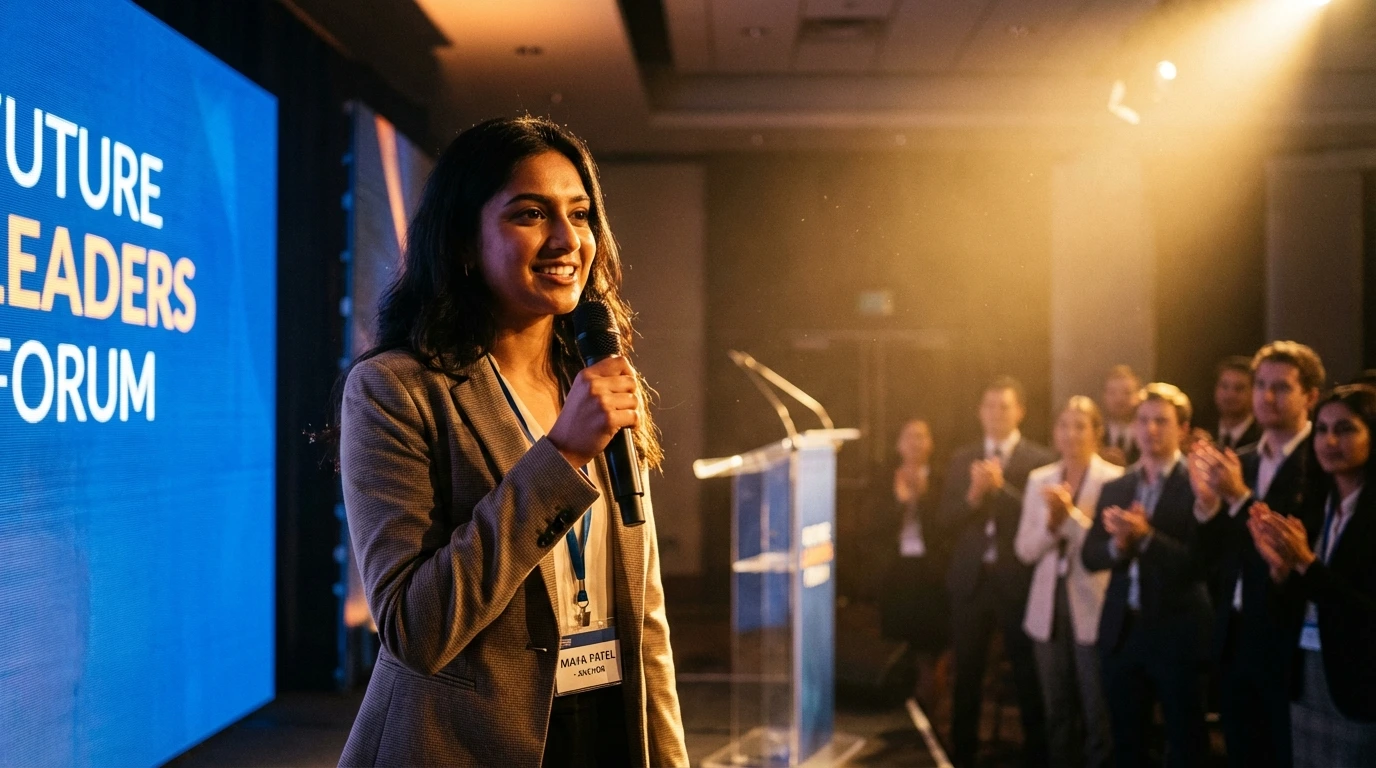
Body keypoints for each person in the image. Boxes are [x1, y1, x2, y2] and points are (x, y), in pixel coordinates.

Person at [337, 117, 688, 767]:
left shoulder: (593, 374)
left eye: (580, 214)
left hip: (605, 723)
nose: (565, 239)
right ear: (464, 240)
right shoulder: (395, 389)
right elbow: (416, 629)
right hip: (461, 742)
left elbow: (645, 611)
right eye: (530, 214)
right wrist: (561, 458)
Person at [1190, 341, 1324, 768]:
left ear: (1311, 397)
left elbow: (1287, 542)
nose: (1265, 397)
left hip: (1288, 636)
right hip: (1235, 633)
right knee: (1242, 751)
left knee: (1287, 754)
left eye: (1281, 387)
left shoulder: (1320, 461)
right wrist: (1206, 505)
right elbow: (1209, 557)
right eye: (1260, 385)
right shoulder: (1241, 461)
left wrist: (1239, 498)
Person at [1082, 383, 1211, 768]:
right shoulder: (1117, 485)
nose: (1150, 430)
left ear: (1183, 429)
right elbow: (1090, 556)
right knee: (1128, 742)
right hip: (1124, 629)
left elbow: (1200, 563)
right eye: (1143, 421)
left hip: (1177, 629)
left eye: (1161, 421)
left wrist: (1146, 538)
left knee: (1185, 741)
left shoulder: (1197, 484)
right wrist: (1117, 548)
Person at [1248, 385, 1376, 767]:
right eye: (1321, 430)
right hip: (1307, 676)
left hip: (1361, 684)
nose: (1330, 440)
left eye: (1346, 429)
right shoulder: (1314, 508)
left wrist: (1307, 564)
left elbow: (1365, 611)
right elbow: (1290, 606)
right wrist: (1281, 572)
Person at [940, 376, 1056, 768]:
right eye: (988, 406)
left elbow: (1039, 515)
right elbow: (944, 519)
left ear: (1020, 411)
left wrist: (1000, 488)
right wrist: (974, 496)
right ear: (979, 411)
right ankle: (962, 756)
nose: (995, 414)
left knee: (1027, 675)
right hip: (972, 580)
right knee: (967, 674)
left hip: (1015, 580)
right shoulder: (963, 456)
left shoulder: (1039, 459)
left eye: (1004, 407)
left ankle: (1036, 756)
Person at [1015, 397, 1123, 768]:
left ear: (1097, 432)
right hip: (1047, 604)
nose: (1071, 434)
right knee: (1056, 708)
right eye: (1064, 425)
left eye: (1080, 426)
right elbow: (1025, 549)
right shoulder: (1039, 479)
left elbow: (1109, 547)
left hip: (1094, 601)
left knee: (1097, 708)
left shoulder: (1115, 479)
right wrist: (1050, 526)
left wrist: (1069, 517)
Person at [878, 419, 950, 708]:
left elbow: (948, 525)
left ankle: (929, 712)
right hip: (896, 571)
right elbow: (871, 525)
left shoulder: (943, 479)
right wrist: (900, 500)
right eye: (908, 437)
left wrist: (923, 498)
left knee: (929, 650)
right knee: (898, 645)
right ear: (898, 444)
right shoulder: (884, 478)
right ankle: (898, 709)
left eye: (922, 437)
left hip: (931, 572)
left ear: (931, 443)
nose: (915, 443)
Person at [1211, 356, 1262, 453]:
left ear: (1254, 392)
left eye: (1239, 388)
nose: (1230, 394)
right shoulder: (1204, 434)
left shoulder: (1262, 439)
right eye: (1224, 386)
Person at [1101, 365, 1143, 467]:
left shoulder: (1147, 434)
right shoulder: (1094, 436)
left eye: (1127, 393)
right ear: (1104, 396)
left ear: (1139, 395)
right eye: (1112, 393)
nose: (1119, 399)